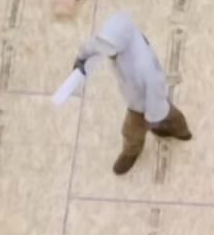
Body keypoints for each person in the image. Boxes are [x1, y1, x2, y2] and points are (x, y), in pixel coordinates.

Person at [74, 11, 192, 175]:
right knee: (168, 115)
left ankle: (133, 151)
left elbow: (156, 90)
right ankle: (177, 128)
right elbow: (94, 45)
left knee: (132, 130)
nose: (107, 55)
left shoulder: (143, 65)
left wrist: (152, 117)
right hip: (133, 92)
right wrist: (81, 58)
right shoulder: (114, 36)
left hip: (143, 102)